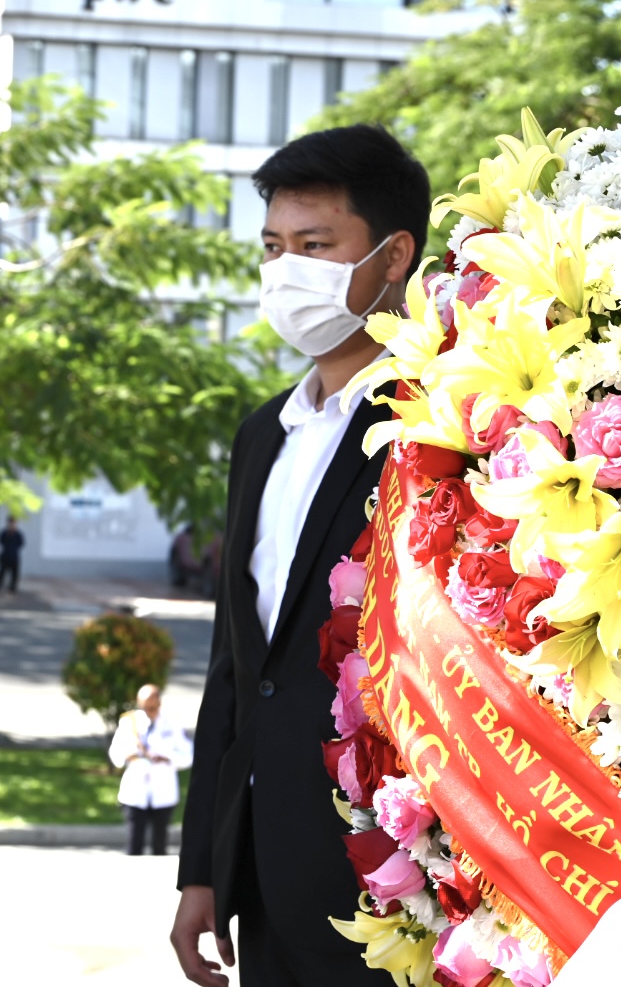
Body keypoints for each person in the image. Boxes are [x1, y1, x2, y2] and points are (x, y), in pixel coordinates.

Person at [170, 126, 431, 986]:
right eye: (273, 248)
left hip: (398, 876)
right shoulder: (261, 435)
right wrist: (203, 866)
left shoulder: (440, 424)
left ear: (393, 257)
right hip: (264, 871)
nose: (286, 272)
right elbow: (236, 668)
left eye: (316, 247)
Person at [108, 684, 193, 855]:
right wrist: (128, 755)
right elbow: (115, 753)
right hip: (135, 793)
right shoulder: (129, 722)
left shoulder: (172, 724)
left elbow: (188, 755)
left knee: (159, 845)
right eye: (144, 707)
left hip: (163, 792)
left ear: (159, 703)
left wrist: (168, 758)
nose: (148, 711)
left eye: (152, 707)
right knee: (134, 845)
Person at [0, 516, 24, 592]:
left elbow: (21, 543)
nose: (11, 525)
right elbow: (0, 541)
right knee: (1, 572)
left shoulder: (18, 534)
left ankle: (12, 588)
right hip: (5, 556)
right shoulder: (4, 533)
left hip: (14, 557)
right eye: (10, 523)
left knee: (14, 574)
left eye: (13, 523)